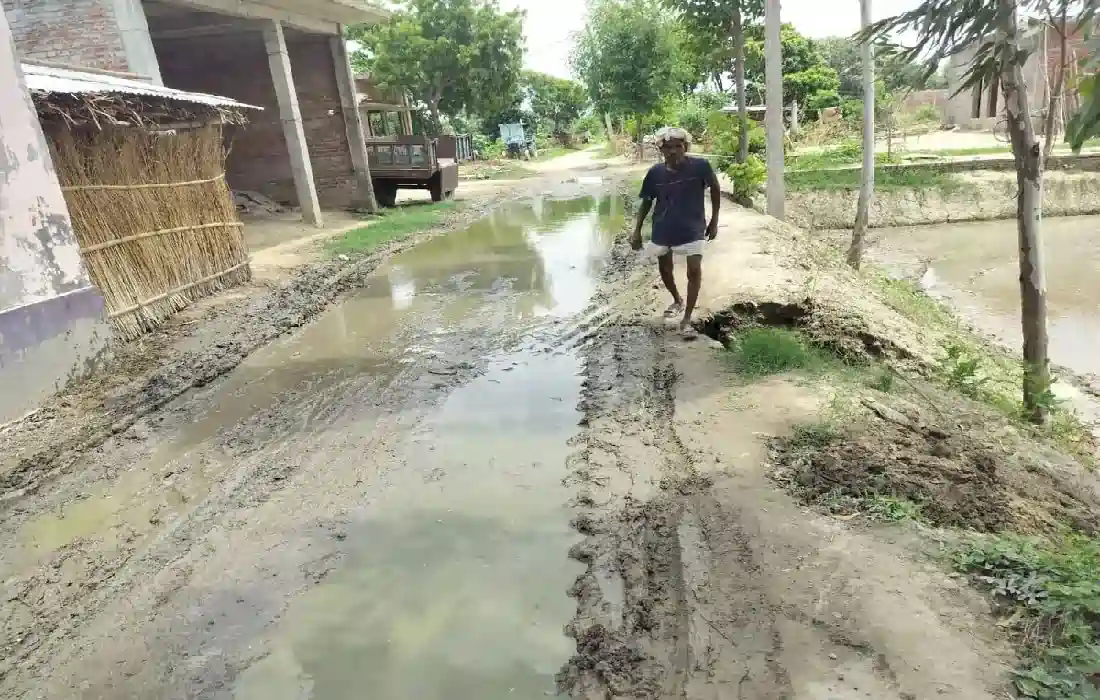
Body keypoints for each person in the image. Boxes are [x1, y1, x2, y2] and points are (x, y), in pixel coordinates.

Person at [631, 127, 721, 339]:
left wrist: (714, 220)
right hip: (663, 227)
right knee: (665, 268)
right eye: (667, 148)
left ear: (686, 147)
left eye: (678, 147)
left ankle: (687, 319)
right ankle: (677, 299)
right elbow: (646, 202)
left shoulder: (700, 167)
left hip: (693, 227)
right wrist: (636, 230)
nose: (673, 151)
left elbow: (715, 188)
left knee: (694, 271)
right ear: (661, 150)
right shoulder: (655, 173)